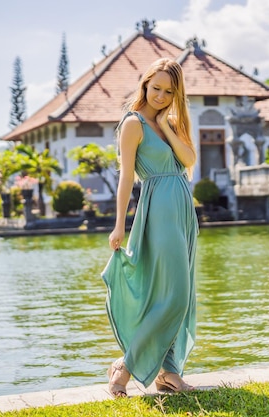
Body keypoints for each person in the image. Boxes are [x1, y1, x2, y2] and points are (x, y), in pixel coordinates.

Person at [102, 58, 199, 398]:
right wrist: (119, 226)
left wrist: (167, 125)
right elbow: (126, 177)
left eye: (169, 91)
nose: (160, 95)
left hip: (183, 213)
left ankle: (169, 373)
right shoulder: (132, 123)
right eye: (155, 88)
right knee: (173, 295)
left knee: (181, 295)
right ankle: (125, 366)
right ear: (144, 84)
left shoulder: (166, 121)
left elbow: (188, 161)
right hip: (157, 210)